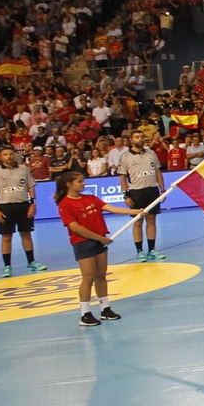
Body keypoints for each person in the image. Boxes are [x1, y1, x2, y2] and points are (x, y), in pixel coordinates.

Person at [53, 170, 144, 327]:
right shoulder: (65, 205)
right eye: (80, 181)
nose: (84, 184)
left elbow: (111, 208)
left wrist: (135, 211)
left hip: (99, 241)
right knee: (88, 277)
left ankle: (105, 309)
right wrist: (99, 238)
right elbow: (75, 228)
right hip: (83, 243)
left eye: (83, 181)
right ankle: (85, 313)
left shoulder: (90, 198)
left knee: (101, 275)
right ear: (69, 185)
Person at [0, 145, 48, 277]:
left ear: (15, 155)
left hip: (23, 206)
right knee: (6, 237)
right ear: (1, 156)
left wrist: (33, 204)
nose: (9, 157)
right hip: (5, 207)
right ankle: (7, 266)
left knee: (26, 234)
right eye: (5, 154)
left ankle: (31, 262)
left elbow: (31, 187)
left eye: (11, 154)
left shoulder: (24, 169)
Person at [119, 129, 166, 262]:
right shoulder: (125, 156)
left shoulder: (151, 153)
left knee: (152, 220)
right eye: (137, 137)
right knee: (138, 222)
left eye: (142, 137)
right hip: (136, 192)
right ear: (131, 140)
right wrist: (126, 195)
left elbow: (158, 172)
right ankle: (139, 251)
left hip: (152, 191)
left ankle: (152, 250)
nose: (140, 139)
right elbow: (122, 177)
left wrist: (162, 190)